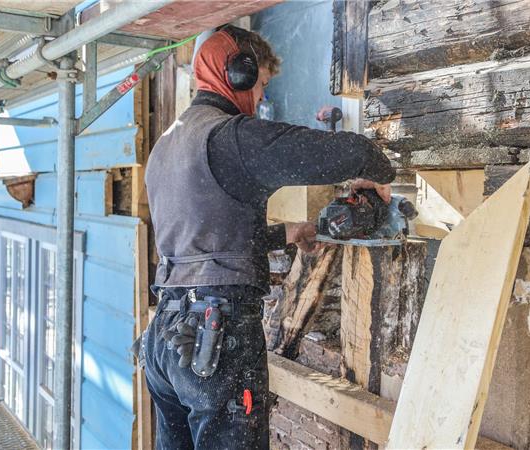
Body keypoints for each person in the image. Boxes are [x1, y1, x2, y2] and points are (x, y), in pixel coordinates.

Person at [141, 25, 394, 450]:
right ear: (237, 74)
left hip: (166, 337)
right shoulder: (230, 136)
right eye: (260, 84)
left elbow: (206, 241)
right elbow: (349, 153)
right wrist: (381, 173)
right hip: (213, 336)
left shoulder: (167, 145)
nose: (260, 98)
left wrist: (289, 233)